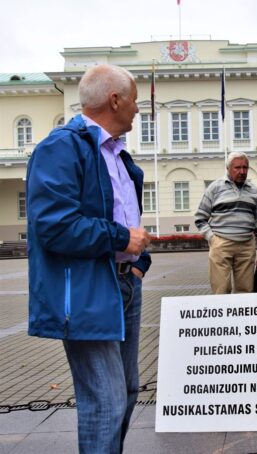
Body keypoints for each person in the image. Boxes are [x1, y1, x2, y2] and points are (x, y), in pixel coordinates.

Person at [26, 64, 152, 453]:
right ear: (115, 100)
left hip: (123, 283)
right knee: (106, 401)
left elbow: (127, 219)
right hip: (86, 290)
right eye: (134, 99)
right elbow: (55, 225)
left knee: (126, 392)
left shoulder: (117, 153)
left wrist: (136, 266)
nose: (138, 108)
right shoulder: (60, 147)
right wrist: (119, 239)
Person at [195, 152, 257, 294]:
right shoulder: (215, 188)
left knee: (246, 292)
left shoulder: (252, 190)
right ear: (228, 168)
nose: (242, 171)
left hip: (247, 246)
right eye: (237, 168)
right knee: (221, 291)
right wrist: (212, 239)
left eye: (245, 167)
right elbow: (200, 218)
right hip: (221, 244)